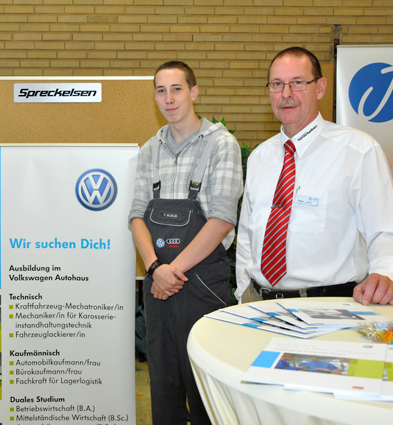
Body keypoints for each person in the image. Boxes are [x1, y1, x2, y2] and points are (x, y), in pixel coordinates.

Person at [235, 46, 393, 306]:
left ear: (320, 88)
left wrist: (385, 273)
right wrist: (243, 294)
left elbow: (386, 232)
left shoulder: (359, 150)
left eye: (297, 82)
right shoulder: (259, 157)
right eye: (277, 84)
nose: (286, 93)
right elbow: (246, 237)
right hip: (258, 305)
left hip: (329, 307)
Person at [129, 61, 243, 425]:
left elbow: (222, 219)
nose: (169, 98)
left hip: (202, 285)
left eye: (176, 89)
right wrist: (154, 268)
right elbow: (136, 216)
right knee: (164, 387)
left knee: (204, 386)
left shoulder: (221, 144)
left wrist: (171, 271)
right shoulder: (150, 149)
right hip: (159, 283)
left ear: (193, 92)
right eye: (161, 91)